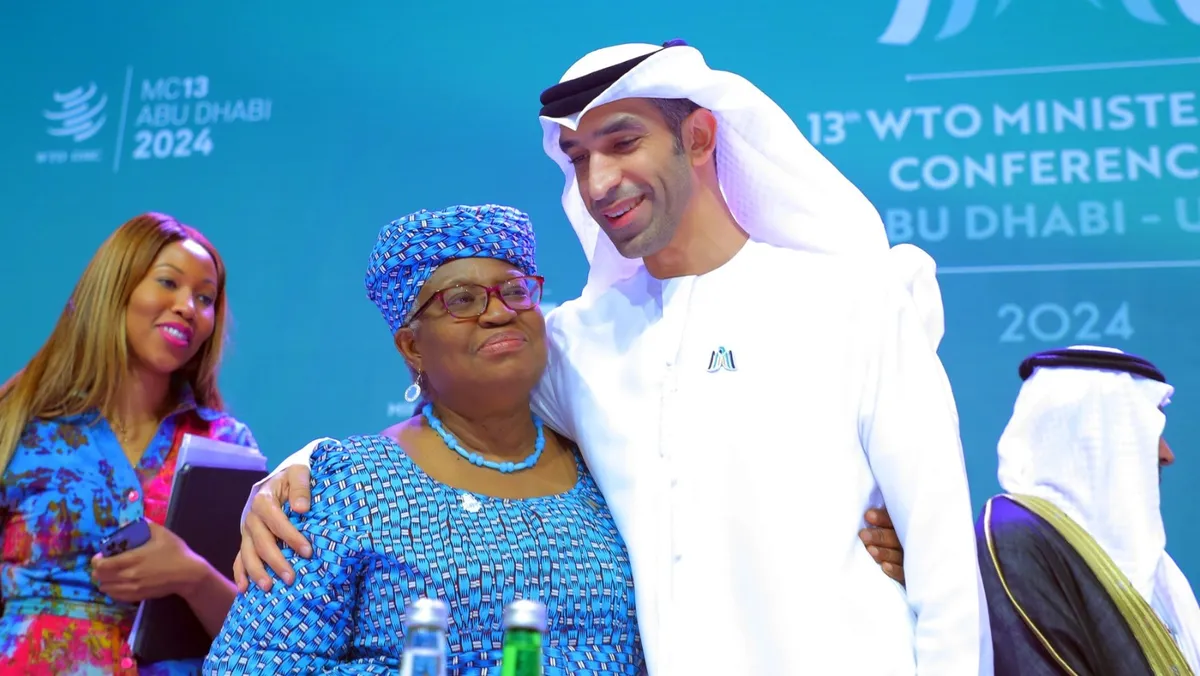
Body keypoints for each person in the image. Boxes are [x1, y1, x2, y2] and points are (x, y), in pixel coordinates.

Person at [239, 40, 976, 675]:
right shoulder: (577, 342)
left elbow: (943, 568)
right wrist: (300, 469)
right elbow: (459, 411)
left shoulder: (853, 302)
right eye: (578, 158)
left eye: (623, 145)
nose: (597, 184)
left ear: (699, 136)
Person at [204, 205, 644, 673]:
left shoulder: (605, 465)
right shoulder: (352, 485)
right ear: (412, 347)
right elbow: (246, 666)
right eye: (462, 300)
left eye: (516, 292)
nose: (499, 312)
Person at [0, 213, 259, 675]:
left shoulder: (228, 447)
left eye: (205, 298)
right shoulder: (20, 422)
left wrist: (191, 575)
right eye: (169, 283)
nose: (188, 307)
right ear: (115, 287)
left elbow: (262, 637)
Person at [976, 346, 1199, 675]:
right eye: (1149, 434)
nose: (1167, 454)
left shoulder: (1154, 565)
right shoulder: (1015, 535)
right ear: (1094, 434)